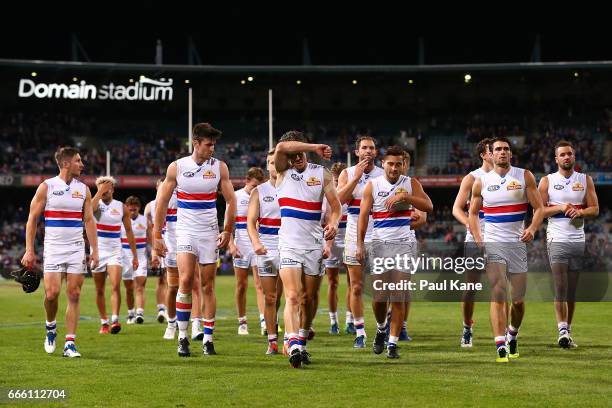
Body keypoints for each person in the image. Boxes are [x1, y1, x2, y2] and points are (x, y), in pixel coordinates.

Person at [154, 123, 236, 357]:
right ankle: (182, 336)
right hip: (186, 230)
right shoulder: (177, 167)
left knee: (208, 285)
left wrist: (227, 230)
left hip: (210, 232)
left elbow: (231, 201)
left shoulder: (220, 167)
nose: (212, 148)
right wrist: (157, 235)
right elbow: (161, 202)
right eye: (209, 144)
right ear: (196, 143)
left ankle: (208, 338)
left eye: (214, 144)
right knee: (186, 280)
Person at [468, 136, 544, 363]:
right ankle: (500, 343)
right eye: (498, 149)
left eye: (506, 149)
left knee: (518, 301)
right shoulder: (481, 182)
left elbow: (539, 208)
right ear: (490, 154)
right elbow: (472, 213)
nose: (502, 152)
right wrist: (480, 238)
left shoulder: (524, 176)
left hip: (517, 245)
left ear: (511, 154)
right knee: (498, 292)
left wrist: (532, 228)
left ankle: (512, 334)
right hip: (493, 244)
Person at [21, 146, 100, 357]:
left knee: (74, 294)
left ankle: (70, 343)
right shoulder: (46, 187)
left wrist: (94, 250)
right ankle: (50, 326)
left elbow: (89, 220)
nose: (82, 165)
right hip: (53, 248)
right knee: (52, 293)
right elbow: (32, 219)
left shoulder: (83, 189)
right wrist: (29, 250)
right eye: (78, 161)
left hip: (75, 248)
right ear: (66, 163)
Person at [357, 145, 433, 359]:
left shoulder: (411, 183)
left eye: (398, 164)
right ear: (383, 164)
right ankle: (381, 328)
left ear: (403, 165)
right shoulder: (373, 185)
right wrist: (360, 244)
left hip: (404, 245)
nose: (394, 167)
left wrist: (406, 198)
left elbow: (428, 206)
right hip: (380, 244)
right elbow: (363, 216)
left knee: (398, 296)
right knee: (380, 297)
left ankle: (392, 343)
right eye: (390, 163)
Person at [274, 131, 341, 367]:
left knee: (309, 298)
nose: (296, 157)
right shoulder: (281, 171)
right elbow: (281, 147)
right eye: (293, 154)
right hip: (289, 244)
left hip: (314, 244)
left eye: (299, 153)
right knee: (292, 295)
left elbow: (336, 206)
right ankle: (292, 344)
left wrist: (333, 223)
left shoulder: (321, 174)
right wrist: (314, 146)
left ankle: (302, 340)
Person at [538, 140, 599, 348]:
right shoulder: (547, 181)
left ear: (574, 157)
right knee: (560, 286)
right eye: (562, 154)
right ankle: (561, 329)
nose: (566, 157)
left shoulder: (585, 180)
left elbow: (595, 209)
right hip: (556, 237)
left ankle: (567, 331)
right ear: (556, 159)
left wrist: (580, 211)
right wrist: (562, 207)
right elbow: (540, 210)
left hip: (577, 239)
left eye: (569, 154)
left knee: (572, 290)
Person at [336, 135, 384, 347]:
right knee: (355, 286)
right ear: (357, 152)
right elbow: (338, 199)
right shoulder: (347, 173)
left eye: (371, 148)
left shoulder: (384, 174)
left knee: (380, 288)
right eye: (364, 148)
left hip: (380, 235)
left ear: (375, 152)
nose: (368, 151)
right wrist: (356, 177)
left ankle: (382, 329)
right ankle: (360, 332)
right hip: (354, 234)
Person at [451, 138, 494, 347]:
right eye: (491, 151)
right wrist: (470, 223)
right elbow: (457, 208)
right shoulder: (472, 178)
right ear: (484, 155)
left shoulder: (509, 177)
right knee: (470, 288)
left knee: (500, 288)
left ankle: (502, 334)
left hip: (499, 237)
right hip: (474, 239)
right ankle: (467, 328)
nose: (496, 153)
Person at [247, 150, 284, 354]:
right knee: (270, 297)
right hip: (267, 249)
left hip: (290, 246)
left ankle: (293, 338)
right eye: (270, 162)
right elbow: (250, 222)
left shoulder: (294, 188)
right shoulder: (259, 191)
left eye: (277, 162)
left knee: (294, 296)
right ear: (267, 165)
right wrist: (256, 242)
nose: (274, 166)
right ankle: (272, 341)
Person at [91, 176, 138, 335]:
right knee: (99, 290)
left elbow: (130, 232)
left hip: (115, 252)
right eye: (101, 187)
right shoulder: (96, 205)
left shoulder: (121, 207)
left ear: (113, 189)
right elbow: (89, 211)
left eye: (107, 187)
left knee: (116, 285)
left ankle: (115, 319)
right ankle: (104, 321)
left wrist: (135, 255)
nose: (105, 190)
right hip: (97, 251)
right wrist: (98, 193)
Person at [228, 167, 266, 335]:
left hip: (258, 243)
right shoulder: (236, 197)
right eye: (253, 186)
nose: (255, 190)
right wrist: (231, 245)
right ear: (246, 181)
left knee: (261, 285)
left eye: (258, 187)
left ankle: (264, 320)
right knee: (241, 285)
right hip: (242, 244)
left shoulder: (263, 196)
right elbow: (228, 224)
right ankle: (242, 322)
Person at [322, 162, 349, 335]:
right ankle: (333, 321)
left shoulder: (351, 194)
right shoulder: (327, 197)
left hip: (349, 240)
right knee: (332, 282)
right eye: (335, 180)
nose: (337, 183)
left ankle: (350, 320)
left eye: (340, 180)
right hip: (331, 240)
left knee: (354, 283)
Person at [121, 196, 148, 324]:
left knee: (140, 285)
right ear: (126, 208)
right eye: (130, 210)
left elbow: (151, 237)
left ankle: (140, 313)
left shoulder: (145, 220)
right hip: (125, 257)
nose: (132, 212)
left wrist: (155, 254)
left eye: (134, 210)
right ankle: (131, 313)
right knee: (129, 288)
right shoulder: (121, 221)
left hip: (141, 256)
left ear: (139, 208)